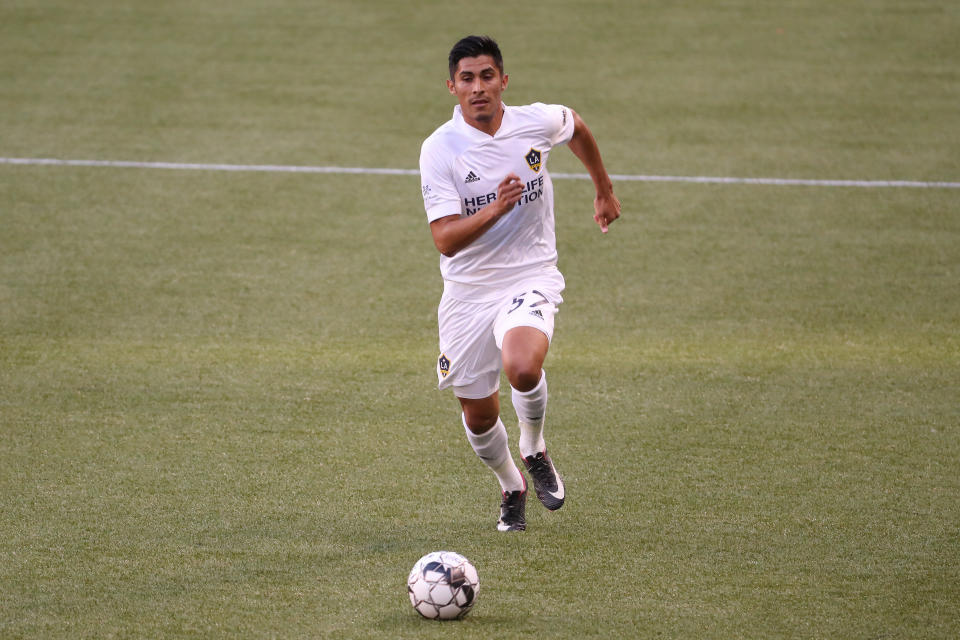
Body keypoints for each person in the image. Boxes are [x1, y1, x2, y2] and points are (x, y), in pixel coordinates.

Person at [418, 35, 620, 532]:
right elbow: (444, 239)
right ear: (452, 87)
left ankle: (533, 445)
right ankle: (512, 484)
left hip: (529, 274)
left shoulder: (535, 121)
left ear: (503, 81)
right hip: (467, 292)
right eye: (467, 78)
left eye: (487, 76)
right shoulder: (440, 150)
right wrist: (496, 208)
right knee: (479, 417)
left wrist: (603, 189)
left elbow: (576, 127)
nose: (479, 87)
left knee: (523, 366)